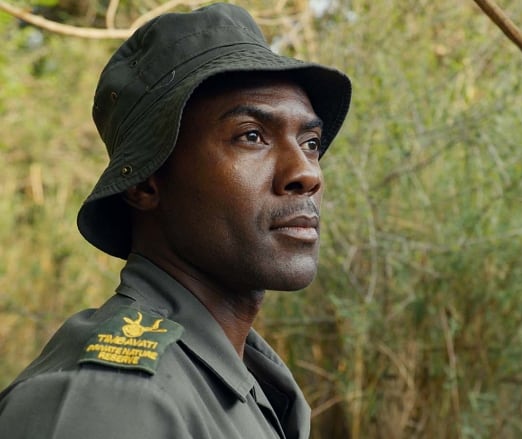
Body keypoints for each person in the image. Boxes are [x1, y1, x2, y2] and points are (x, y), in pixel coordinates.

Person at [0, 3, 351, 438]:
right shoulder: (111, 402)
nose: (307, 173)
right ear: (145, 183)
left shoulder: (242, 378)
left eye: (311, 142)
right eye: (252, 136)